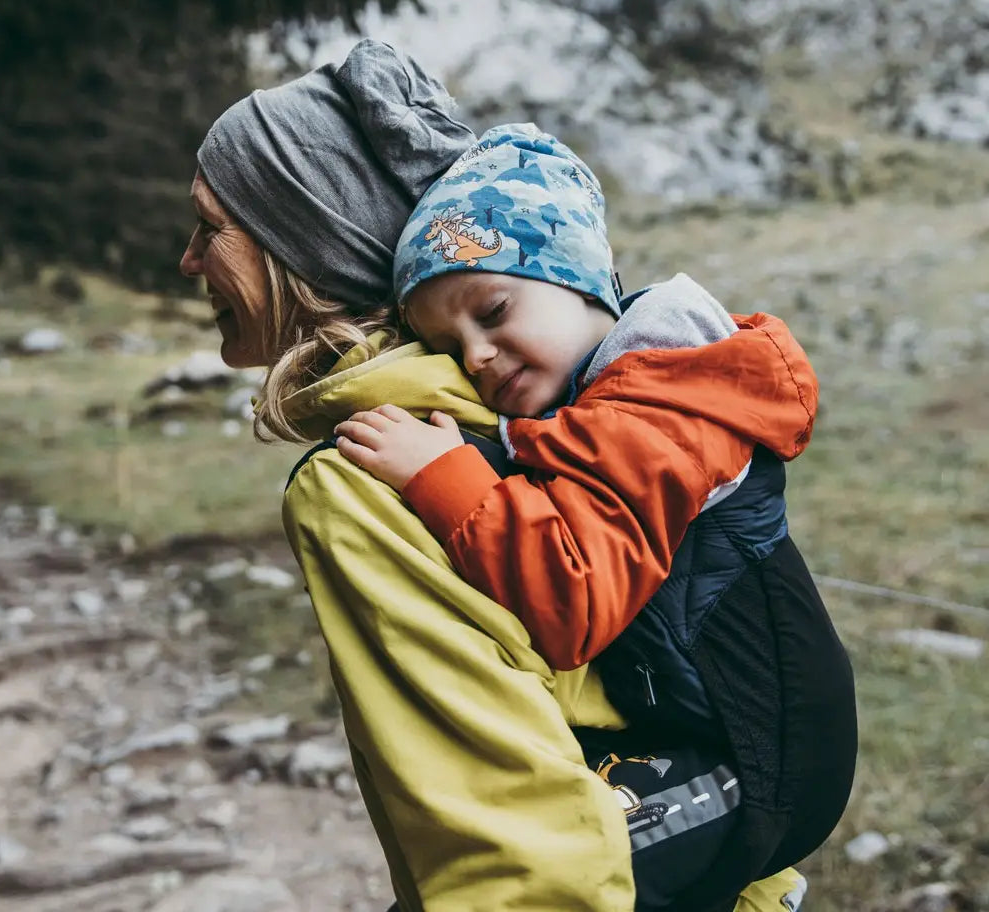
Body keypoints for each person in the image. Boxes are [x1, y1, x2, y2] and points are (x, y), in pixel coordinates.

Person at [181, 38, 810, 911]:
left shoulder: (371, 468)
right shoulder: (532, 412)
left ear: (303, 240)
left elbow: (516, 846)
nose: (189, 260)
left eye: (212, 227)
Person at [333, 124, 857, 909]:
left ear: (584, 281)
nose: (476, 356)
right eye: (448, 344)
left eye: (494, 310)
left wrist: (442, 477)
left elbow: (574, 595)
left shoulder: (659, 407)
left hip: (760, 764)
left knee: (547, 882)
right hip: (689, 738)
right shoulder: (610, 399)